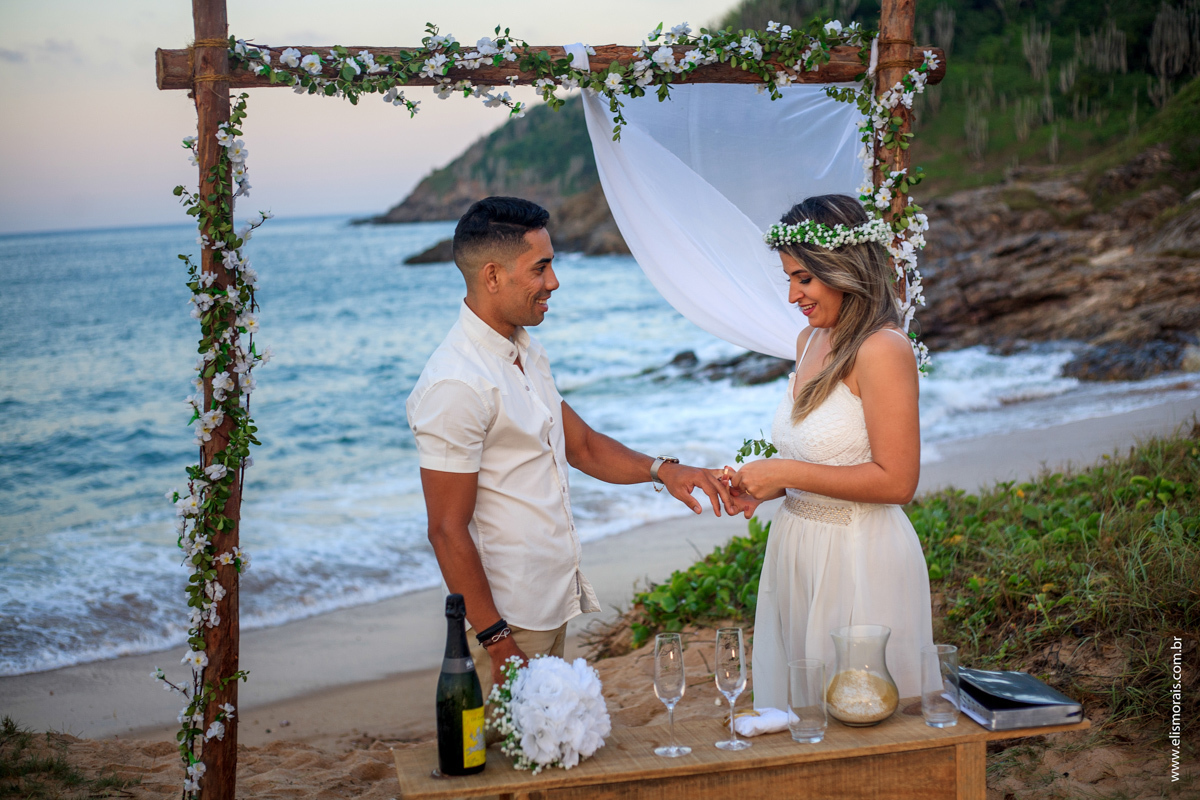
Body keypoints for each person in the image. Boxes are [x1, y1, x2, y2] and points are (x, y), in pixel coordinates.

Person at [407, 196, 734, 705]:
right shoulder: (457, 383)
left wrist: (664, 470)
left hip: (551, 602)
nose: (553, 282)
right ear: (492, 276)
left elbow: (579, 444)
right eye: (541, 267)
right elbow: (446, 530)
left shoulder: (524, 350)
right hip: (507, 621)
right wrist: (498, 643)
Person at [723, 194, 934, 706]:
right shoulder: (809, 341)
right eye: (790, 278)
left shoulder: (882, 350)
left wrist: (786, 471)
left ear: (842, 269)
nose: (793, 295)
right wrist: (768, 487)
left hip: (858, 556)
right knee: (811, 715)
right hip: (798, 549)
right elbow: (823, 459)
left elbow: (897, 481)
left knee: (864, 713)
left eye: (804, 279)